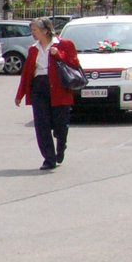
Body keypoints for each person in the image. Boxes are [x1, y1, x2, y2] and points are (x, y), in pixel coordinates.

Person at [14, 16, 81, 170]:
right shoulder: (33, 49)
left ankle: (61, 144)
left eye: (35, 30)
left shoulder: (65, 44)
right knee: (42, 125)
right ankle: (49, 159)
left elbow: (74, 63)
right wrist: (20, 94)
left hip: (59, 88)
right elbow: (26, 74)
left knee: (60, 125)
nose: (32, 33)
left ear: (45, 31)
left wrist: (58, 54)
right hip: (39, 87)